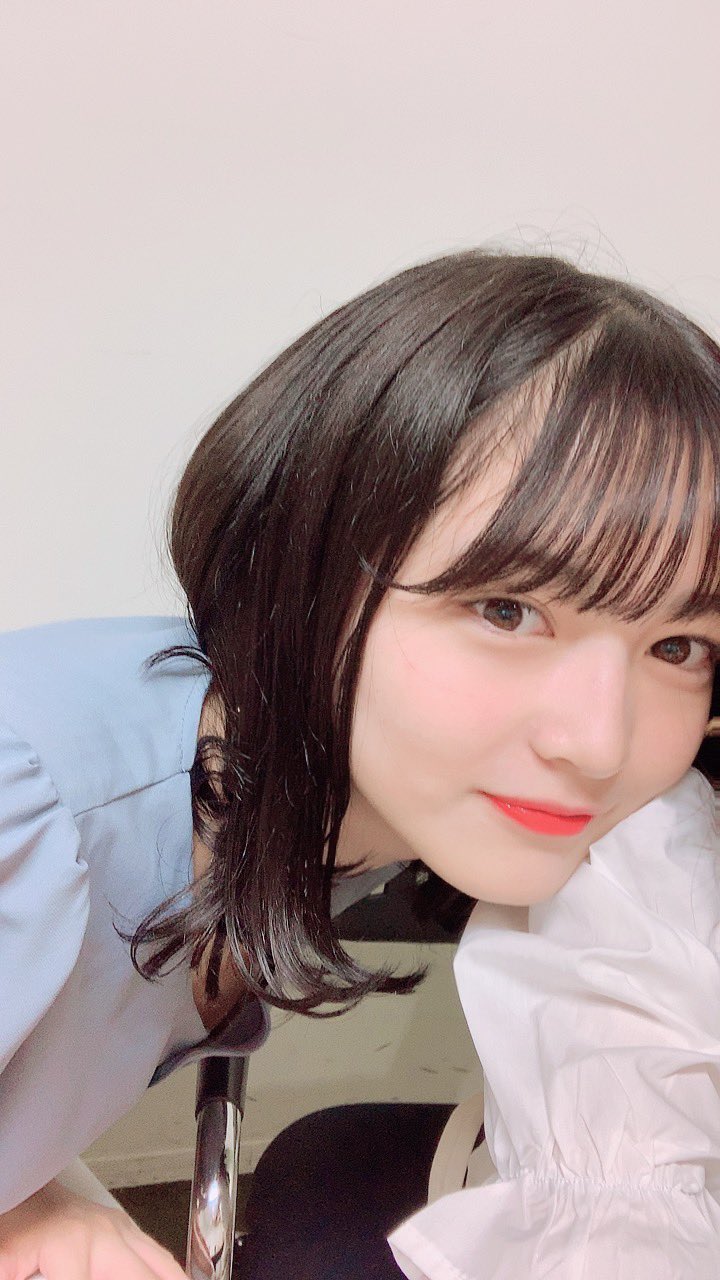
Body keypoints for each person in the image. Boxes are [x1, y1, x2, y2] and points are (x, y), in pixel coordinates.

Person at [0, 247, 718, 1279]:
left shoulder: (332, 793)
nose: (600, 743)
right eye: (507, 609)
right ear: (306, 554)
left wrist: (38, 1188)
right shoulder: (35, 816)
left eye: (679, 645)